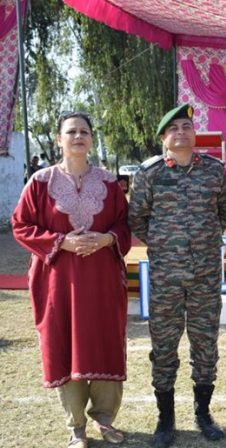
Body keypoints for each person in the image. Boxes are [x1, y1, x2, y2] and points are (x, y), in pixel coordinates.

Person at [12, 111, 131, 448]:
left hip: (102, 279)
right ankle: (76, 427)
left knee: (105, 341)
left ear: (91, 139)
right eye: (71, 131)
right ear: (59, 139)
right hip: (57, 281)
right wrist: (60, 241)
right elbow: (21, 226)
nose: (78, 136)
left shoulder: (109, 184)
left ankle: (105, 419)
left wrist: (107, 239)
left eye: (84, 131)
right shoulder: (39, 182)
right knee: (64, 344)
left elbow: (124, 225)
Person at [128, 104, 226, 447]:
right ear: (163, 138)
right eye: (173, 129)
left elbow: (224, 212)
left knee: (205, 345)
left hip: (205, 274)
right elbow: (137, 219)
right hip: (166, 277)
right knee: (164, 347)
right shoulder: (150, 174)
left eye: (187, 126)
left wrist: (204, 241)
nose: (181, 133)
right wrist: (164, 243)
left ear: (194, 132)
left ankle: (204, 413)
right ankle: (165, 419)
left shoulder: (214, 172)